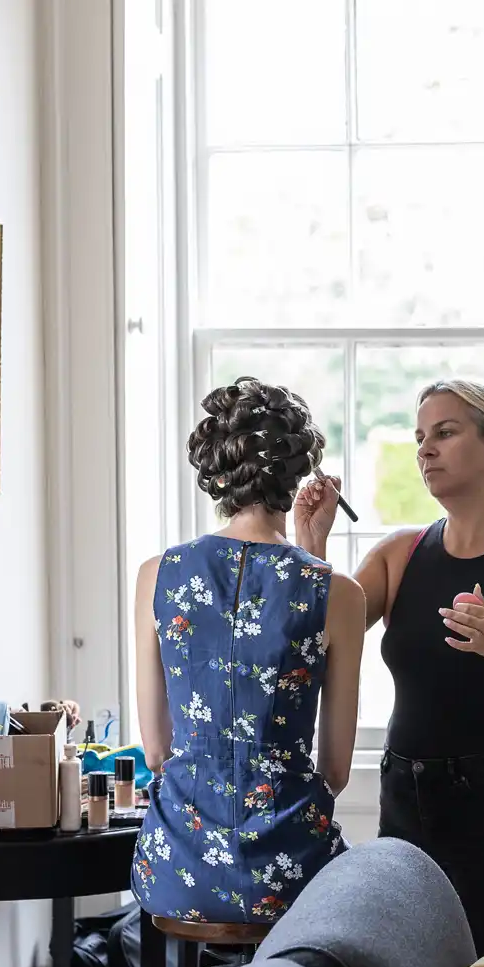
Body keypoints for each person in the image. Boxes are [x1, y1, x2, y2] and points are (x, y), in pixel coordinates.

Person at [294, 378, 484, 955]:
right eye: (419, 438)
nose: (425, 450)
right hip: (404, 797)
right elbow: (311, 645)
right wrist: (311, 548)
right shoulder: (398, 554)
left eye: (446, 432)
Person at [129, 378, 366, 925]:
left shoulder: (157, 575)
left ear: (215, 474)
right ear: (297, 473)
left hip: (174, 869)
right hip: (292, 874)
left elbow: (158, 753)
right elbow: (334, 769)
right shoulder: (339, 594)